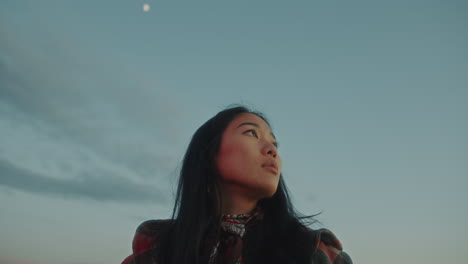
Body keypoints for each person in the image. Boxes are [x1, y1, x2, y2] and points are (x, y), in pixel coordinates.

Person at [122, 105, 352, 264]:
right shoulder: (155, 251)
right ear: (208, 153)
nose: (272, 150)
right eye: (252, 133)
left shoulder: (316, 251)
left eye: (274, 143)